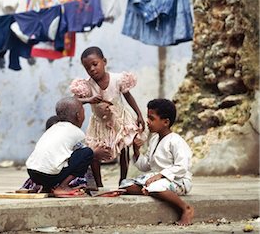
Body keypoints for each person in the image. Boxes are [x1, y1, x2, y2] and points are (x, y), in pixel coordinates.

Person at [70, 46, 145, 187]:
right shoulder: (86, 85)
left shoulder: (117, 79)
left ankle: (123, 181)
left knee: (124, 149)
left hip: (119, 120)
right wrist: (89, 99)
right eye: (87, 68)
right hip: (99, 125)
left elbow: (128, 96)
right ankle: (99, 185)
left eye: (95, 64)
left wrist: (139, 114)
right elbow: (74, 101)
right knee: (94, 153)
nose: (92, 69)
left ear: (104, 61)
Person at [119, 99, 194, 226]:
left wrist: (160, 175)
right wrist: (136, 150)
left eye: (151, 118)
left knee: (154, 186)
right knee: (125, 185)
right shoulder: (154, 140)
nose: (147, 121)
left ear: (165, 122)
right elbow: (146, 166)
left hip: (178, 180)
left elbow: (182, 167)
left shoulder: (176, 141)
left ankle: (186, 208)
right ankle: (150, 189)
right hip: (157, 179)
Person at [26, 97, 100, 197]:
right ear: (78, 116)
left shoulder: (53, 128)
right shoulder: (77, 132)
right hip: (49, 176)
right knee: (87, 153)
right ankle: (63, 187)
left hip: (32, 174)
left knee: (57, 159)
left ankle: (46, 188)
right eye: (83, 112)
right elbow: (82, 156)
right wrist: (96, 152)